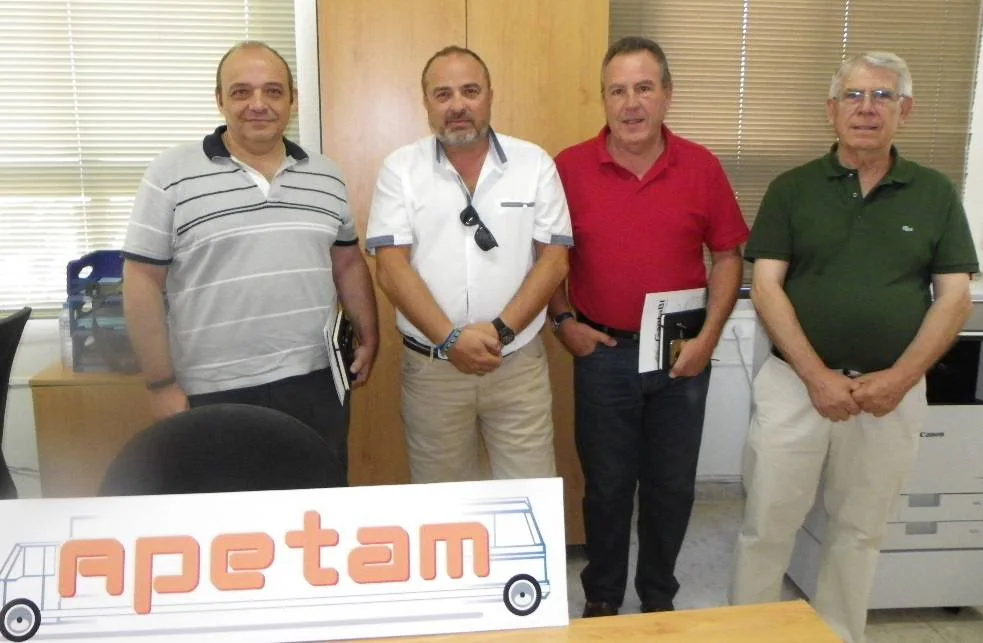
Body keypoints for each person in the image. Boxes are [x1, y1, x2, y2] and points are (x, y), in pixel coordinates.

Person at [729, 52, 978, 643]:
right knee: (767, 527)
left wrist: (899, 379)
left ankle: (840, 632)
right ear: (832, 110)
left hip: (888, 398)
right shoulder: (792, 190)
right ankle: (745, 633)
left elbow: (955, 299)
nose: (867, 109)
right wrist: (816, 376)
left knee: (859, 531)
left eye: (883, 97)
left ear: (906, 110)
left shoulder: (935, 193)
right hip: (796, 389)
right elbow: (766, 287)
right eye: (854, 96)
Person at [549, 36, 749, 617]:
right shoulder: (568, 168)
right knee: (607, 488)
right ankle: (605, 599)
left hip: (681, 353)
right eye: (618, 90)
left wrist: (708, 341)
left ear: (667, 95)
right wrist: (564, 322)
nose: (631, 103)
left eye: (644, 88)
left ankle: (658, 595)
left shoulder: (702, 166)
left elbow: (729, 256)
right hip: (602, 350)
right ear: (603, 99)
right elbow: (544, 258)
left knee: (670, 488)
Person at [122, 41, 378, 484]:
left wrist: (370, 335)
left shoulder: (326, 175)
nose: (258, 104)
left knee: (317, 516)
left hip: (316, 382)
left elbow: (348, 262)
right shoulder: (171, 174)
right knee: (222, 527)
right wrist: (160, 383)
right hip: (211, 390)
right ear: (219, 99)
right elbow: (142, 280)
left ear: (292, 101)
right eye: (241, 92)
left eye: (273, 92)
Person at [365, 45, 572, 483]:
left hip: (516, 365)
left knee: (530, 497)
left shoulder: (533, 163)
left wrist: (498, 333)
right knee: (444, 509)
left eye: (470, 91)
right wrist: (451, 339)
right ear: (425, 103)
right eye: (442, 94)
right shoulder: (400, 169)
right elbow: (391, 269)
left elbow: (553, 262)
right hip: (434, 367)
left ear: (490, 96)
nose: (457, 105)